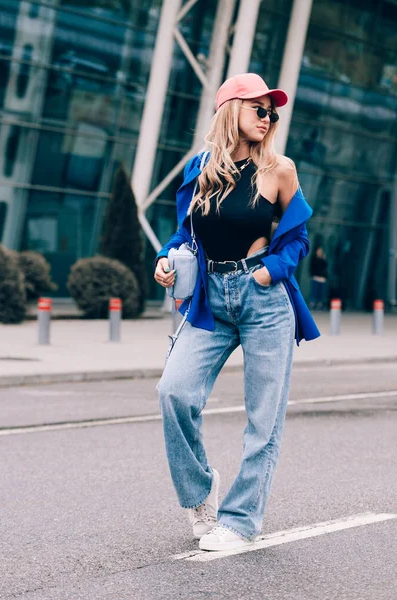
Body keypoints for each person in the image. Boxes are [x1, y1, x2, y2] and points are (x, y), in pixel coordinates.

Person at [154, 73, 320, 552]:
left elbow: (298, 238)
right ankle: (200, 493)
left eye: (273, 113)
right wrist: (166, 260)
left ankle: (241, 522)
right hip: (209, 296)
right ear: (231, 109)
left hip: (263, 299)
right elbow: (184, 234)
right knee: (173, 392)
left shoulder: (279, 170)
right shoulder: (200, 169)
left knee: (262, 419)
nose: (268, 119)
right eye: (259, 110)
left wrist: (270, 271)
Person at [309, 245, 328, 310]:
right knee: (314, 291)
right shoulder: (314, 258)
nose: (320, 252)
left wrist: (324, 259)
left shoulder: (323, 259)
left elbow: (325, 267)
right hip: (315, 277)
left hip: (322, 278)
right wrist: (312, 274)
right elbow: (312, 267)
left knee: (321, 292)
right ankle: (313, 303)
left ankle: (319, 304)